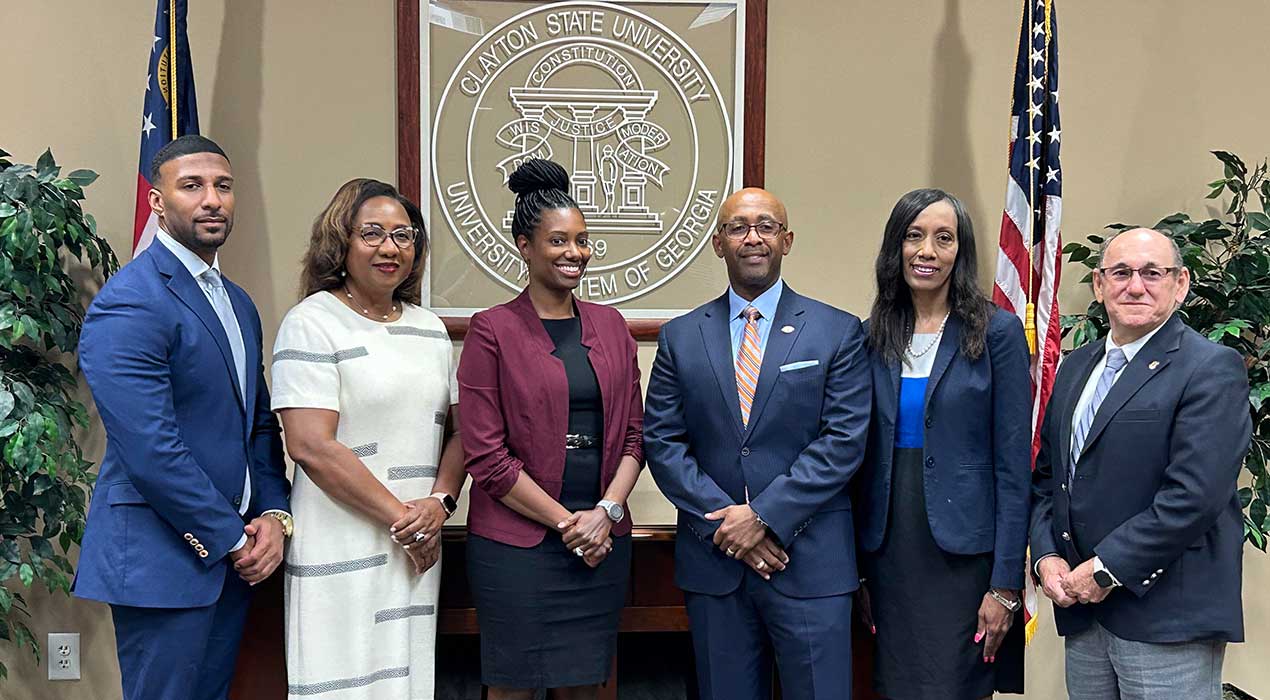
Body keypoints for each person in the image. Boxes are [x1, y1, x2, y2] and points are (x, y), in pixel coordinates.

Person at [76, 135, 292, 700]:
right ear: (157, 201)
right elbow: (151, 448)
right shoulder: (132, 300)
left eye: (222, 186)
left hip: (235, 557)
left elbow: (259, 426)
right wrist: (228, 537)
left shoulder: (237, 302)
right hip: (166, 557)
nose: (212, 200)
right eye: (191, 186)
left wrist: (274, 513)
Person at [643, 187, 871, 700]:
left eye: (766, 226)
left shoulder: (836, 332)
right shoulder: (680, 336)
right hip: (715, 563)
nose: (754, 237)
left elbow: (843, 441)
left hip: (810, 563)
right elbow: (662, 441)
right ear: (718, 243)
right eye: (738, 227)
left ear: (786, 241)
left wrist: (763, 515)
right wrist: (730, 524)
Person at [1030, 228, 1250, 700]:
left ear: (1181, 283)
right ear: (1098, 284)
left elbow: (1195, 496)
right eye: (1121, 273)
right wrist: (1046, 556)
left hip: (1167, 617)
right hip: (1084, 614)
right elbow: (1050, 478)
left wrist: (1105, 569)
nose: (1135, 286)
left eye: (1153, 273)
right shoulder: (1075, 367)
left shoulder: (1211, 367)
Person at [457, 159, 644, 700]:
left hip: (603, 541)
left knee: (588, 688)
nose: (574, 253)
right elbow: (486, 457)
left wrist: (605, 514)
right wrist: (571, 526)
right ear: (524, 245)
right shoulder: (491, 329)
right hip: (518, 549)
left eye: (583, 241)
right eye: (558, 240)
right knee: (514, 689)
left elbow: (635, 435)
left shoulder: (611, 325)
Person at [270, 178, 464, 699]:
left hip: (415, 548)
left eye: (403, 236)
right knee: (340, 684)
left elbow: (464, 432)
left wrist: (440, 504)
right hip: (342, 543)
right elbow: (310, 445)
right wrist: (405, 520)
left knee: (405, 682)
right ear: (342, 242)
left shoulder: (432, 330)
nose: (389, 248)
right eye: (372, 233)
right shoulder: (311, 323)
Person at [855, 189, 1031, 699]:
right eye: (914, 236)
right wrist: (861, 573)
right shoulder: (870, 336)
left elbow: (1013, 466)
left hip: (965, 559)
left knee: (956, 686)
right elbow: (858, 461)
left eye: (943, 238)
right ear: (896, 248)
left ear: (961, 251)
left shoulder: (996, 332)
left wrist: (1004, 583)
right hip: (890, 551)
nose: (926, 250)